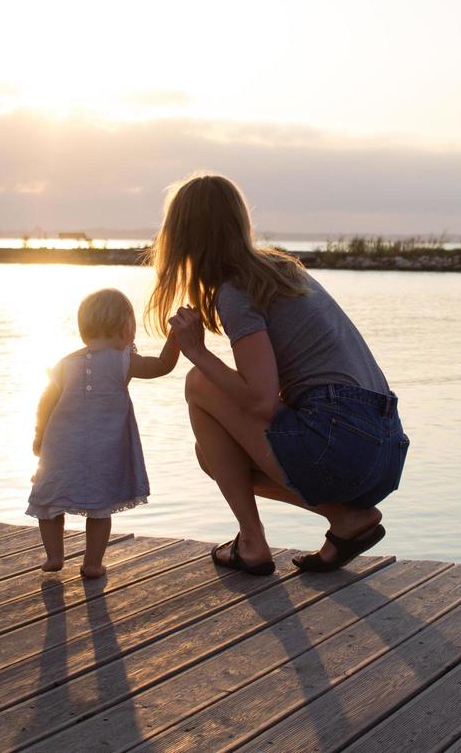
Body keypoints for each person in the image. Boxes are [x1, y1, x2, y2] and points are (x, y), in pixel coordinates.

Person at [149, 174, 409, 575]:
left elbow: (261, 401)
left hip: (342, 443)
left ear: (183, 236)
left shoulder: (236, 289)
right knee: (214, 456)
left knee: (198, 384)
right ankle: (345, 519)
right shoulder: (280, 270)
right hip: (384, 447)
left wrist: (197, 352)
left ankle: (252, 543)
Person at [28, 288, 179, 578]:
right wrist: (176, 338)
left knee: (48, 500)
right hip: (104, 450)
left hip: (61, 448)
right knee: (100, 509)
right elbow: (162, 366)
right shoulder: (124, 360)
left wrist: (39, 435)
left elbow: (46, 401)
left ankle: (54, 556)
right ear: (126, 330)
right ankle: (92, 563)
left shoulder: (65, 363)